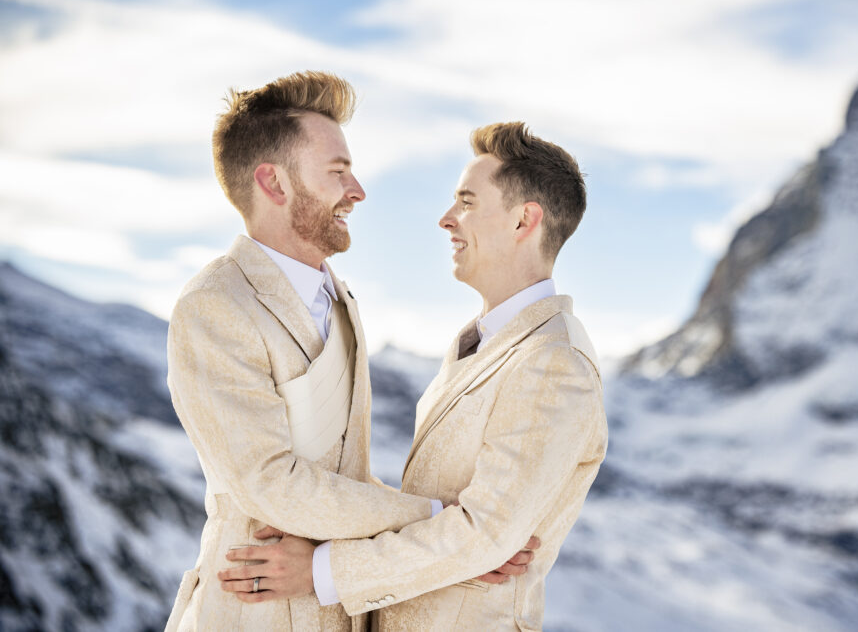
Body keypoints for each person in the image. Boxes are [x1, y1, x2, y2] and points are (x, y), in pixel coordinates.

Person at [164, 72, 530, 632]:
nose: (358, 191)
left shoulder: (341, 299)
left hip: (340, 610)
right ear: (274, 182)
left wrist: (465, 540)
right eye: (338, 172)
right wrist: (447, 521)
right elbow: (272, 485)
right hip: (253, 614)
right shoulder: (215, 305)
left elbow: (345, 477)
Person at [219, 122, 608, 631]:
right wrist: (427, 516)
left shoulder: (554, 362)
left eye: (466, 202)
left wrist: (318, 571)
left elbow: (483, 534)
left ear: (523, 222)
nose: (446, 220)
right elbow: (453, 515)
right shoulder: (484, 345)